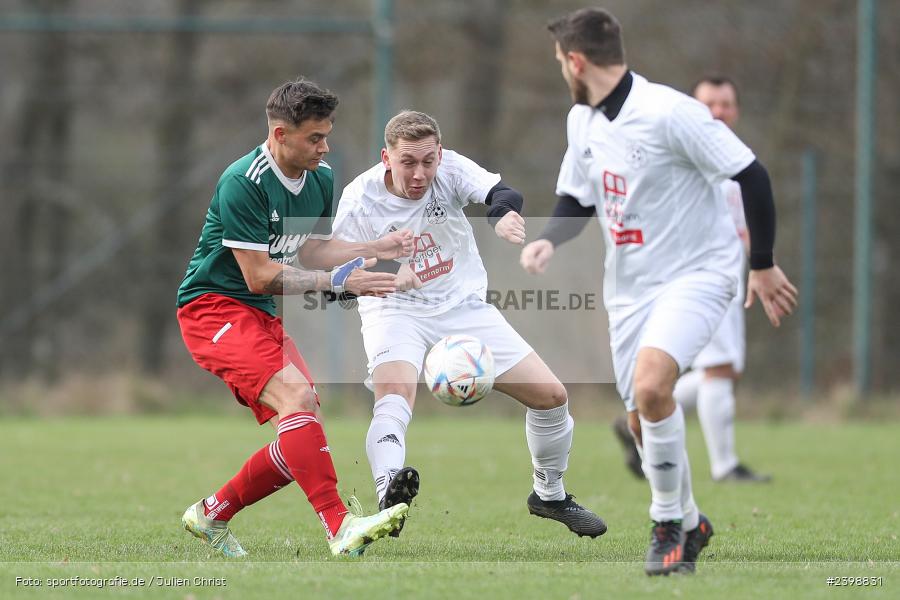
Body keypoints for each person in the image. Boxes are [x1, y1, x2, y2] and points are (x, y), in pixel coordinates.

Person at [520, 9, 797, 575]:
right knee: (646, 417)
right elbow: (578, 199)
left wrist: (762, 264)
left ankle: (667, 522)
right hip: (629, 289)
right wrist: (550, 240)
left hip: (698, 272)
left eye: (559, 63)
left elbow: (752, 174)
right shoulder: (583, 120)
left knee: (651, 388)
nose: (560, 72)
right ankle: (691, 521)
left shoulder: (672, 112)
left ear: (576, 61)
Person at [331, 110, 607, 540]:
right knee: (395, 391)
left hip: (463, 308)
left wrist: (502, 216)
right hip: (396, 310)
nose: (420, 173)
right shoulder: (359, 198)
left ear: (439, 154)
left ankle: (549, 494)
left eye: (428, 161)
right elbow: (338, 280)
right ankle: (389, 493)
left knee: (552, 396)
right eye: (408, 162)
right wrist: (384, 271)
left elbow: (502, 192)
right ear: (386, 157)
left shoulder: (451, 168)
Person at [175, 78, 416, 558]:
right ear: (280, 134)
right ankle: (339, 526)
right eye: (314, 137)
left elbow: (310, 249)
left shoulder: (320, 178)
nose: (324, 147)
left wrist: (375, 250)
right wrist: (338, 284)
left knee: (301, 419)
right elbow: (260, 275)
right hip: (211, 308)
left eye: (327, 135)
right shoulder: (243, 182)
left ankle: (212, 512)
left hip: (258, 313)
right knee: (297, 397)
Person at [613, 75, 770, 483]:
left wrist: (760, 262)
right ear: (694, 109)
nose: (718, 111)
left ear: (736, 110)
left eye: (726, 103)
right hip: (699, 277)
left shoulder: (732, 159)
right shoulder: (688, 158)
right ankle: (725, 465)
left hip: (727, 275)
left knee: (721, 369)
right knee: (719, 368)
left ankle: (641, 415)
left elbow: (741, 220)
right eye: (709, 104)